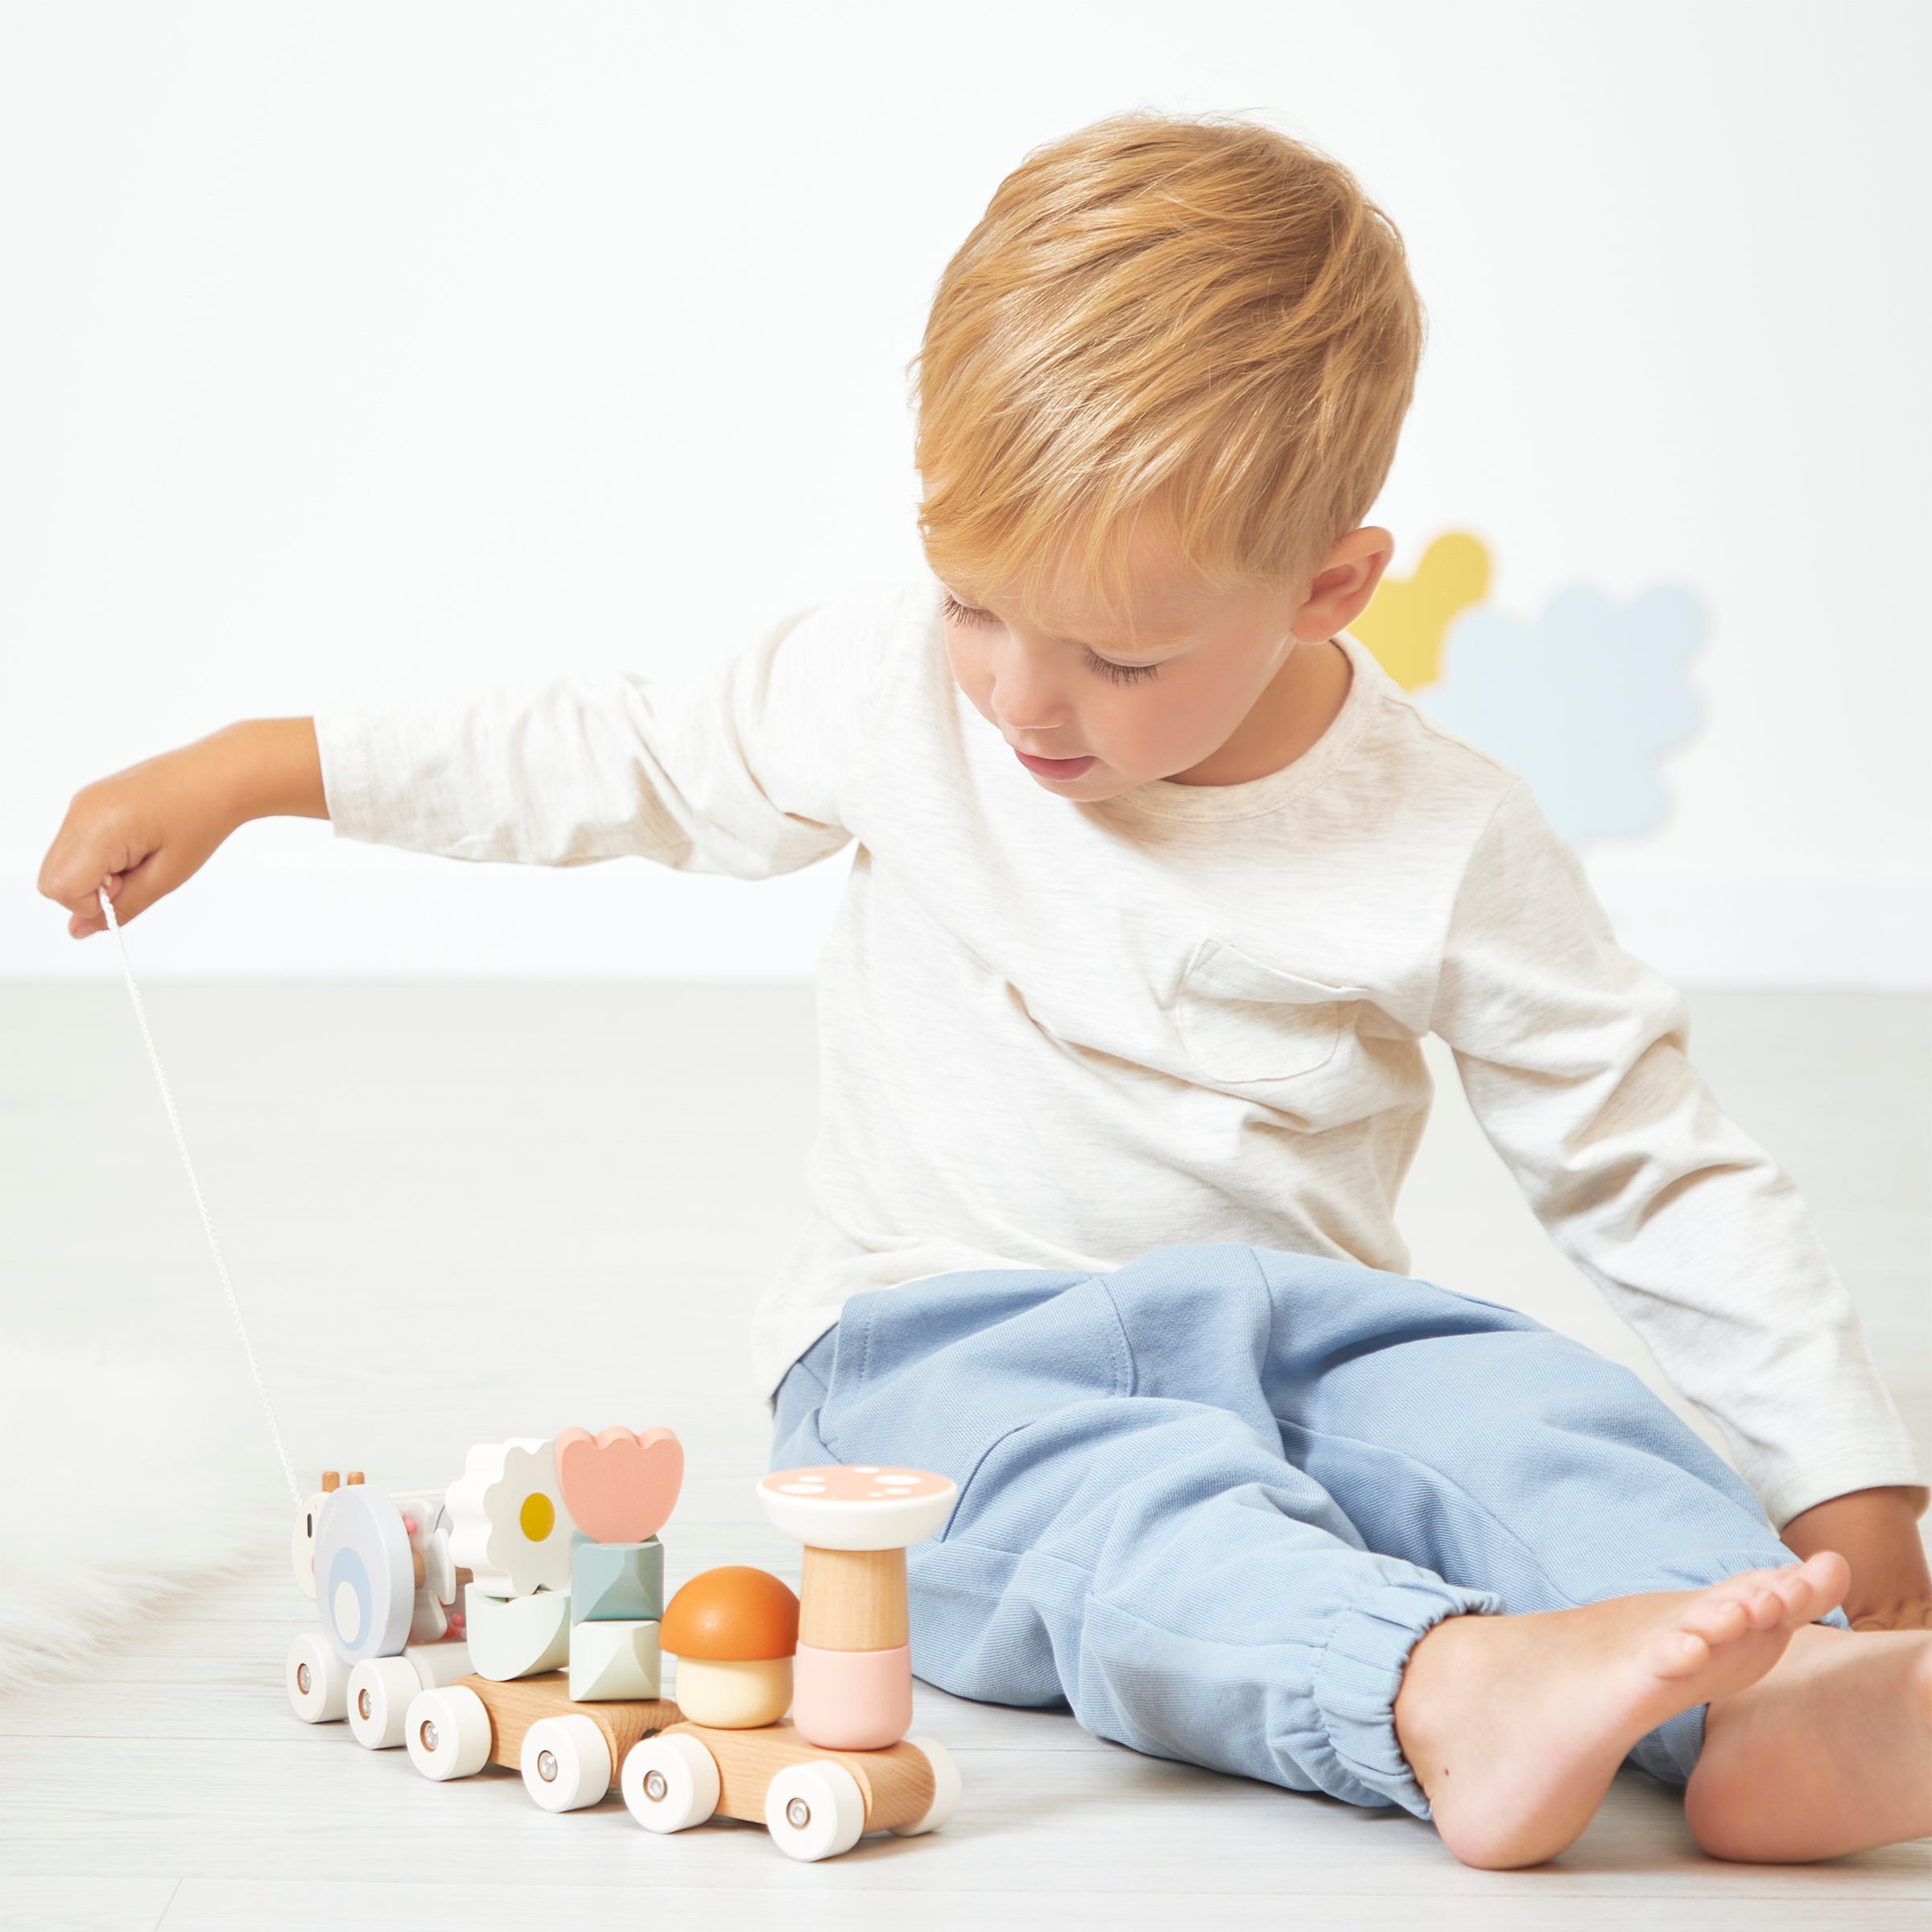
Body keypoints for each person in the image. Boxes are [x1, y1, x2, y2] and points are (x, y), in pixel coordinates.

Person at [38, 114, 1931, 1868]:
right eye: (972, 603)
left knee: (1533, 1423)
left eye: (1120, 658)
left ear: (1328, 589)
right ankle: (1437, 1691)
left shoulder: (1443, 834)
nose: (1023, 699)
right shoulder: (883, 691)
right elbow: (609, 756)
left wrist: (1845, 1486)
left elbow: (1644, 1155)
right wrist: (266, 767)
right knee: (1128, 1528)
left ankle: (1783, 1695)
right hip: (936, 1356)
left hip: (1309, 1336)